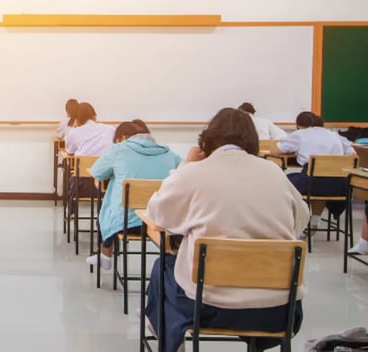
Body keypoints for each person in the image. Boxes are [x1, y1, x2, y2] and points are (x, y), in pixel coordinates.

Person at [145, 108, 307, 352]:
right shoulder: (274, 172)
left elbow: (158, 214)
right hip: (277, 310)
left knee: (163, 267)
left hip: (209, 307)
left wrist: (186, 165)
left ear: (207, 139)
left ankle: (169, 338)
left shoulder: (194, 172)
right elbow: (300, 220)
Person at [85, 119, 182, 269]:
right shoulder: (169, 153)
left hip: (125, 224)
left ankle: (106, 253)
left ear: (123, 137)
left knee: (110, 202)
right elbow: (184, 174)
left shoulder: (119, 150)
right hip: (160, 224)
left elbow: (97, 172)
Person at [270, 111, 355, 229]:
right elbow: (353, 155)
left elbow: (274, 152)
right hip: (339, 186)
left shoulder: (301, 134)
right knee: (319, 179)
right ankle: (315, 219)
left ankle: (292, 223)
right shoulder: (335, 136)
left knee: (285, 181)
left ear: (300, 125)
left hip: (312, 184)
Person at [64, 102, 115, 214]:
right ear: (94, 115)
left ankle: (71, 210)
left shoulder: (74, 132)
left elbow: (69, 151)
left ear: (76, 118)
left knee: (72, 173)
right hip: (107, 185)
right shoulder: (110, 129)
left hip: (83, 185)